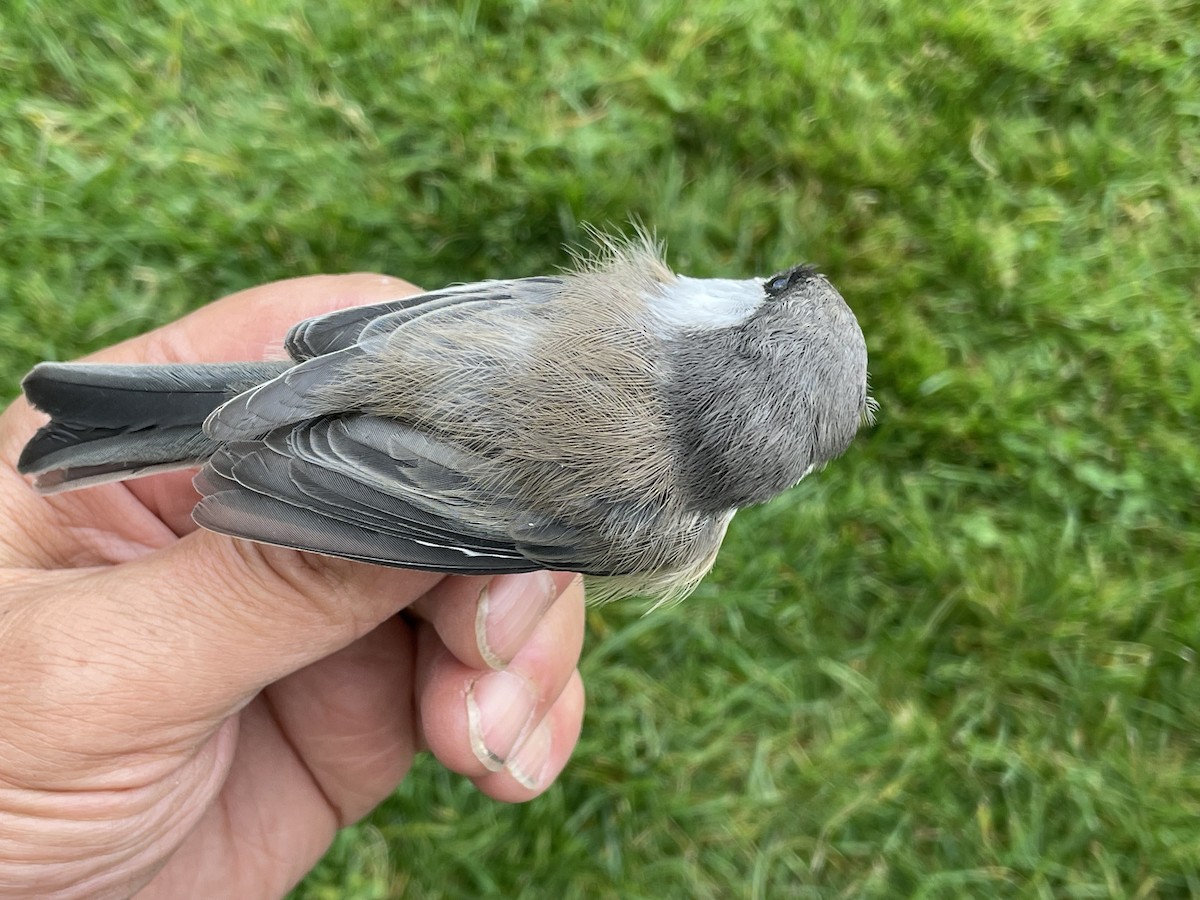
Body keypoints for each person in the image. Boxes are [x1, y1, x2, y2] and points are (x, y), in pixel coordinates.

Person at [0, 274, 587, 898]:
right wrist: (336, 539)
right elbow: (441, 519)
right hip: (396, 433)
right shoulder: (659, 529)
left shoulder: (637, 298)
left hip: (392, 349)